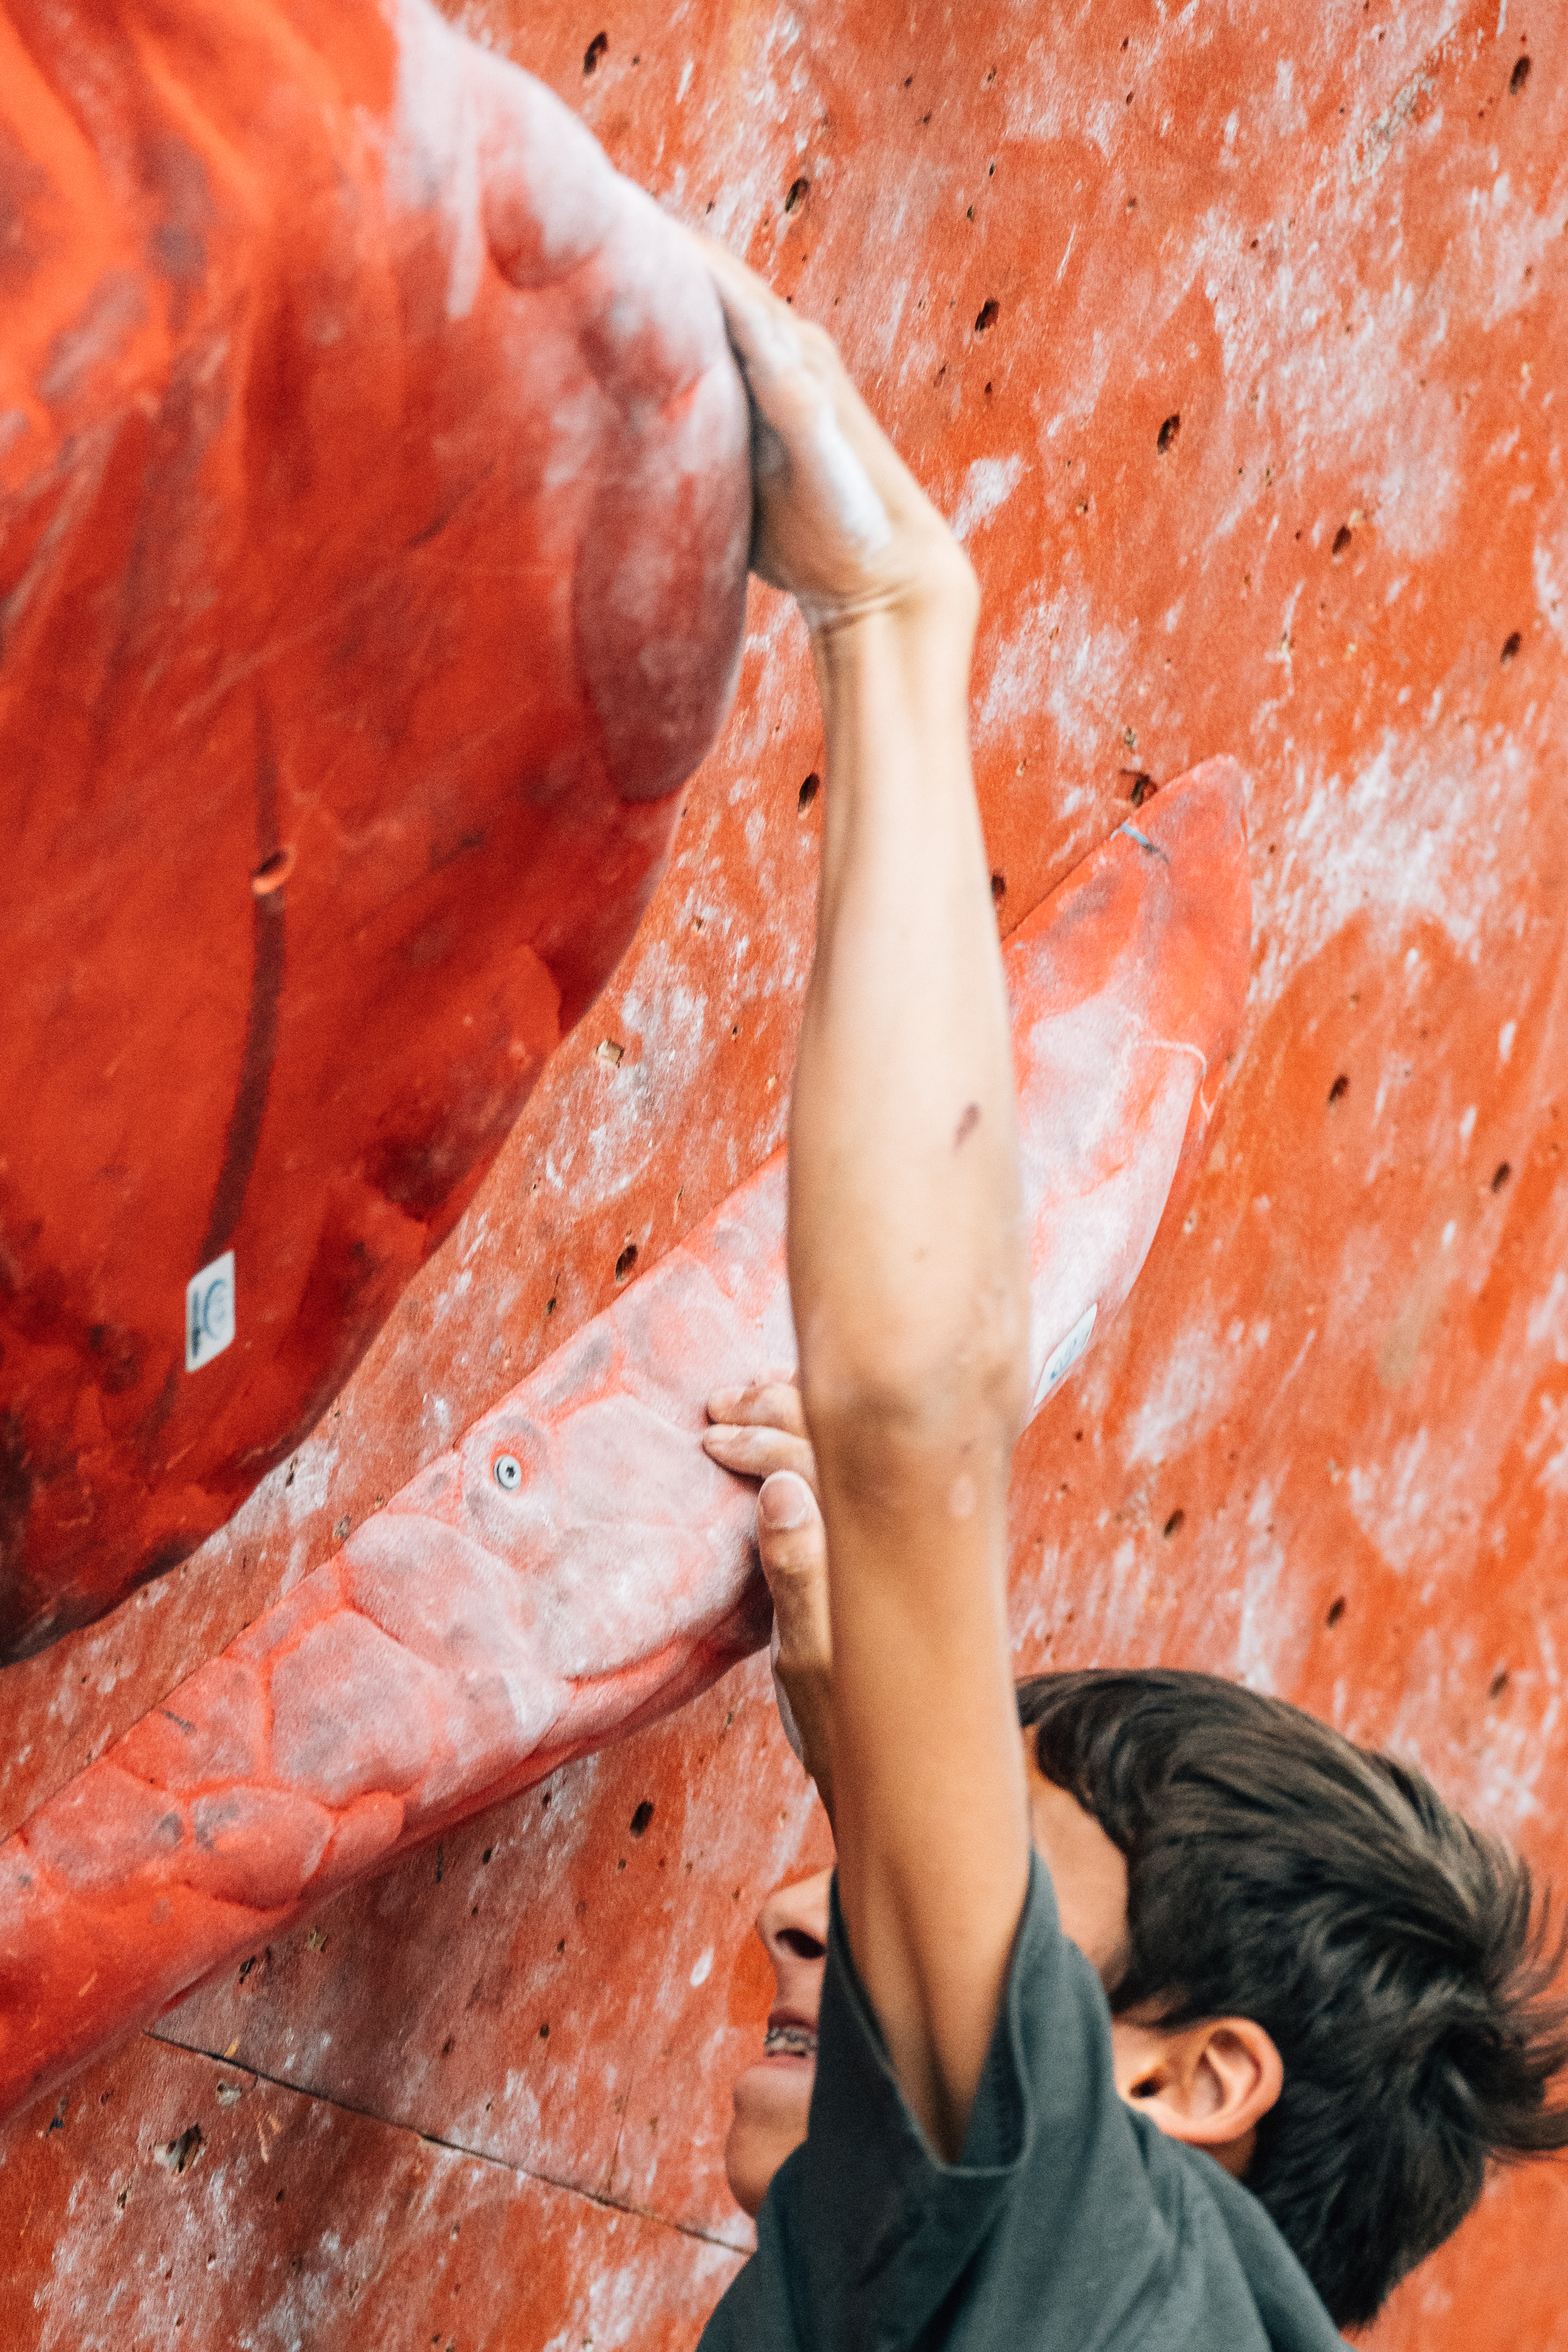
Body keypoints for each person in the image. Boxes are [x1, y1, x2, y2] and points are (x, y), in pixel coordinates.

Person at [692, 240, 1568, 2346]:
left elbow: (908, 1416)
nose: (803, 1916)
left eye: (995, 1875)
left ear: (1182, 2083)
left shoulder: (1084, 2272)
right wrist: (872, 1717)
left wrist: (891, 615)